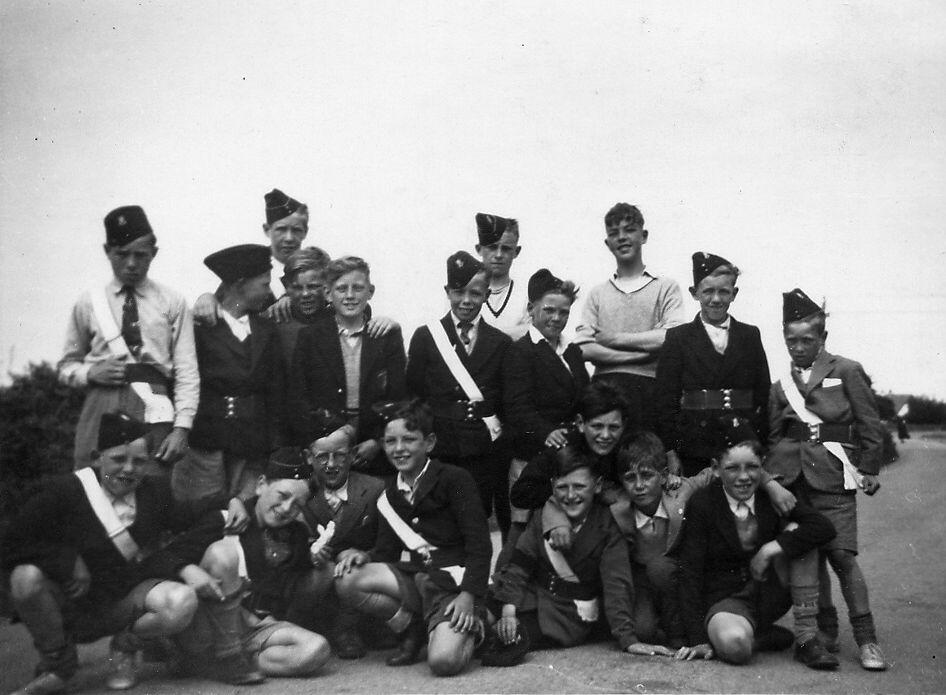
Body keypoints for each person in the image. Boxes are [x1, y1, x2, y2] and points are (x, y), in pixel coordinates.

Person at [3, 411, 223, 694]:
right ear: (97, 457)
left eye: (139, 461)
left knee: (180, 602)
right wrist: (68, 561)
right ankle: (58, 664)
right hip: (69, 603)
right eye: (119, 459)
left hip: (121, 600)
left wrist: (233, 503)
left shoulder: (153, 493)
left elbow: (191, 517)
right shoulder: (64, 491)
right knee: (25, 577)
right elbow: (11, 542)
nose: (129, 469)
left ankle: (124, 647)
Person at [765, 288, 888, 671]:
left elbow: (869, 422)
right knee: (808, 556)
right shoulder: (779, 385)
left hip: (834, 477)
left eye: (807, 340)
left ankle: (867, 639)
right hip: (793, 482)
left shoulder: (846, 370)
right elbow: (773, 435)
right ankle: (826, 629)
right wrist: (774, 477)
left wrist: (868, 468)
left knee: (841, 556)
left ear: (823, 339)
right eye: (791, 340)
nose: (798, 348)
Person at [334, 400, 492, 676]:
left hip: (453, 584)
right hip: (419, 578)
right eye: (390, 441)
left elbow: (480, 545)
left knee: (443, 663)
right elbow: (387, 552)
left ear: (429, 443)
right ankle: (412, 627)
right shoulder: (390, 493)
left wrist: (469, 595)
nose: (398, 449)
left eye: (409, 440)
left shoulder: (454, 479)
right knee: (348, 578)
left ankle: (479, 619)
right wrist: (365, 556)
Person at [605, 431, 796, 650]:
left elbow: (720, 470)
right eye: (630, 478)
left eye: (647, 476)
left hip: (683, 573)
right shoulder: (619, 511)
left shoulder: (682, 492)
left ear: (664, 475)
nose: (639, 485)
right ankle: (748, 636)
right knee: (643, 630)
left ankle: (696, 635)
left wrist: (771, 485)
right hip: (645, 583)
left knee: (663, 570)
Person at [675, 417, 838, 669]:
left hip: (768, 594)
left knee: (800, 535)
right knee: (737, 646)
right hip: (726, 601)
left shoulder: (771, 497)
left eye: (752, 467)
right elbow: (691, 572)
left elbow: (824, 527)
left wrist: (771, 548)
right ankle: (755, 637)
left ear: (762, 467)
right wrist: (697, 638)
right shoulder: (703, 503)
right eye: (732, 469)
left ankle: (807, 639)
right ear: (716, 469)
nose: (743, 477)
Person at [58, 205, 199, 474]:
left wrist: (182, 427)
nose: (132, 263)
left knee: (151, 482)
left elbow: (187, 370)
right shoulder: (89, 302)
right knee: (93, 477)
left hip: (154, 405)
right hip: (103, 399)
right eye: (122, 255)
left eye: (141, 255)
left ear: (153, 254)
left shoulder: (172, 302)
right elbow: (66, 366)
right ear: (107, 252)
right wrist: (89, 373)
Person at [176, 447, 331, 684]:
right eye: (282, 495)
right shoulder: (226, 518)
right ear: (261, 485)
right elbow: (164, 558)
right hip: (208, 624)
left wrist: (315, 561)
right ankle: (218, 656)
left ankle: (216, 664)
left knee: (316, 649)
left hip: (253, 628)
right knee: (222, 553)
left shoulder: (296, 533)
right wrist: (186, 569)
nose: (287, 509)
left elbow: (291, 583)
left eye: (298, 504)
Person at [481, 444, 638, 666]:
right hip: (531, 594)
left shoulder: (608, 527)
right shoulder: (541, 516)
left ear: (597, 485)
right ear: (552, 485)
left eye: (579, 486)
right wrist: (507, 610)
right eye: (562, 487)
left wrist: (627, 639)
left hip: (567, 615)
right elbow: (520, 564)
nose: (571, 495)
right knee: (478, 615)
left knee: (508, 638)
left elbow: (617, 584)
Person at [172, 244, 285, 516]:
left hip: (251, 446)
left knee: (243, 514)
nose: (269, 292)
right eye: (263, 284)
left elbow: (277, 390)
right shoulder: (198, 327)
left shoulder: (267, 330)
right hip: (205, 443)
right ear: (240, 284)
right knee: (200, 514)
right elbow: (181, 380)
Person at [405, 251, 512, 537]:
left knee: (475, 522)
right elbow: (414, 397)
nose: (466, 301)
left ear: (487, 294)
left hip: (481, 452)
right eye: (458, 292)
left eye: (475, 293)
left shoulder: (500, 343)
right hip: (440, 448)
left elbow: (504, 402)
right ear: (447, 292)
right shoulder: (426, 337)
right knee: (436, 520)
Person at [655, 252, 770, 476]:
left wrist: (760, 442)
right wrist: (671, 451)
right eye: (708, 291)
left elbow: (763, 394)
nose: (716, 299)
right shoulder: (679, 337)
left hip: (742, 443)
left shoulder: (750, 335)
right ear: (694, 293)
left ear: (734, 294)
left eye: (723, 291)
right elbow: (665, 400)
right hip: (694, 445)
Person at [573, 202, 685, 433]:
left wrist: (613, 339)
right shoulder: (598, 293)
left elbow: (671, 338)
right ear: (607, 243)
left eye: (629, 230)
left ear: (643, 236)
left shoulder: (665, 287)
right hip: (604, 391)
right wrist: (638, 355)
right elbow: (583, 348)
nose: (622, 237)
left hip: (649, 391)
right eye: (614, 233)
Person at [501, 268, 588, 560]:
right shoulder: (521, 351)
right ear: (531, 309)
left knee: (561, 524)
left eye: (563, 313)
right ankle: (501, 589)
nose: (556, 318)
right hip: (532, 452)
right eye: (549, 310)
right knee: (522, 525)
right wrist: (545, 432)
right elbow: (516, 407)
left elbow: (584, 399)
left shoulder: (572, 352)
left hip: (565, 455)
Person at [292, 256, 407, 470]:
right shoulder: (310, 337)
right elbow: (299, 397)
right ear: (328, 293)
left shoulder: (385, 337)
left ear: (370, 291)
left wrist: (378, 441)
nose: (350, 296)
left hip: (373, 445)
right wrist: (327, 438)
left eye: (358, 288)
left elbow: (398, 397)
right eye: (342, 289)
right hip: (327, 444)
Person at [301, 425, 385, 659]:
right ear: (309, 458)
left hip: (358, 574)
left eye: (339, 455)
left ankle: (347, 630)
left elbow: (390, 543)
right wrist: (309, 551)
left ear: (352, 455)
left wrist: (365, 554)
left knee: (354, 570)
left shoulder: (375, 489)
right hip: (319, 573)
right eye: (321, 457)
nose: (331, 464)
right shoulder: (301, 492)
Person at [510, 381, 629, 514]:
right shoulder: (563, 448)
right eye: (597, 426)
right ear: (580, 423)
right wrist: (580, 490)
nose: (606, 435)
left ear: (623, 425)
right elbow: (519, 494)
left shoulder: (625, 450)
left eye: (614, 427)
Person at [473, 212, 530, 340]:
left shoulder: (527, 296)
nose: (498, 254)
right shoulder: (464, 293)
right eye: (492, 247)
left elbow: (533, 335)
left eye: (506, 248)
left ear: (516, 251)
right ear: (479, 249)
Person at [274, 246, 332, 366]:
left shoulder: (340, 317)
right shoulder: (273, 321)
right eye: (297, 288)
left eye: (313, 286)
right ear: (286, 286)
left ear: (329, 285)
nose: (305, 294)